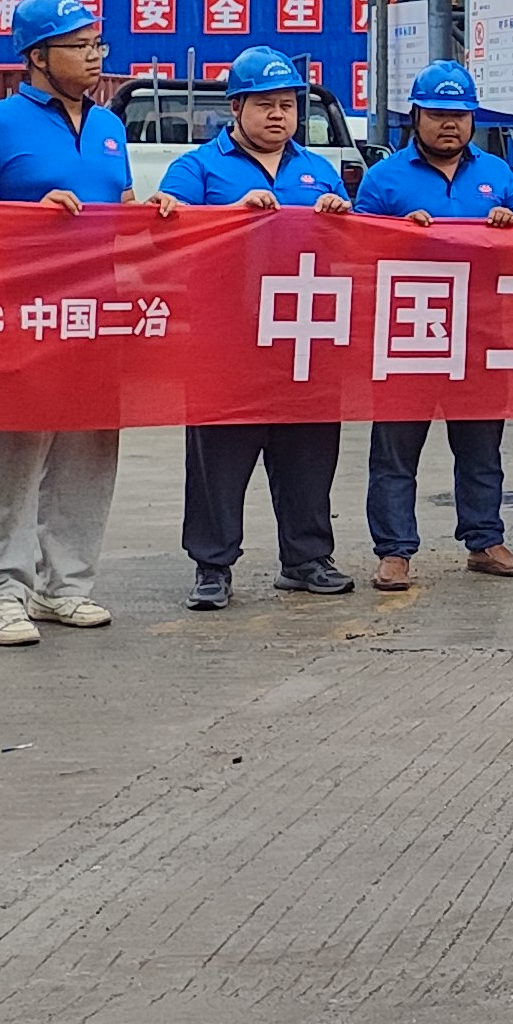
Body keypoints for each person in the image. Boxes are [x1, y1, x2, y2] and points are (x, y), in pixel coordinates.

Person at [151, 46, 360, 609]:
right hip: (227, 339)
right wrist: (232, 214)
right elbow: (168, 235)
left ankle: (307, 558)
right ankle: (212, 565)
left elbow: (355, 246)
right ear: (235, 107)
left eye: (288, 105)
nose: (278, 115)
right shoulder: (197, 168)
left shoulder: (319, 171)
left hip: (303, 336)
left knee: (308, 453)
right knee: (219, 458)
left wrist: (343, 220)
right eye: (265, 104)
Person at [0, 0, 135, 651]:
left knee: (90, 450)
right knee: (14, 454)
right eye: (79, 46)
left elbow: (122, 207)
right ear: (37, 56)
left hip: (99, 312)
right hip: (25, 315)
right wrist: (28, 220)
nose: (95, 57)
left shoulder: (110, 126)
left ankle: (64, 584)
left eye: (98, 44)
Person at [356, 60, 513, 589]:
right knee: (395, 451)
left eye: (460, 114)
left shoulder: (497, 174)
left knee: (481, 448)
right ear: (415, 116)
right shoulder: (384, 179)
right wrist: (397, 235)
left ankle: (485, 540)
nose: (449, 124)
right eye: (437, 114)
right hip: (408, 332)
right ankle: (394, 551)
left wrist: (512, 226)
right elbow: (356, 254)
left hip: (481, 330)